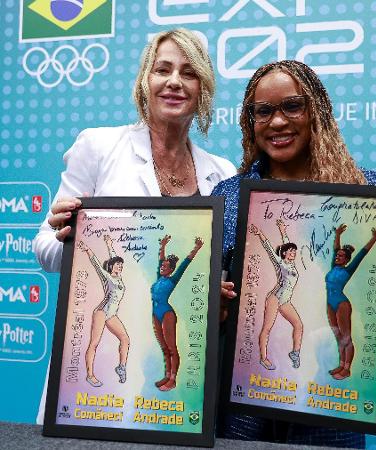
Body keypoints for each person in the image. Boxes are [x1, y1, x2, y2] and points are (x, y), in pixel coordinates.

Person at [212, 60, 376, 447]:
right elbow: (212, 305)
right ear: (250, 121)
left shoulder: (363, 187)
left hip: (330, 415)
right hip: (242, 413)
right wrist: (214, 310)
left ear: (317, 111)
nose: (277, 122)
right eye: (264, 111)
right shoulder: (228, 196)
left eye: (292, 106)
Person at [34, 28, 236, 424]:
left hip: (182, 391)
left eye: (189, 72)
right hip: (96, 396)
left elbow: (214, 275)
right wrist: (67, 237)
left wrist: (222, 291)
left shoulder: (222, 173)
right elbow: (46, 251)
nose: (174, 81)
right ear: (146, 80)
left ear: (203, 87)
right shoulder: (98, 146)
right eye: (163, 69)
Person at [326, 225, 376, 380]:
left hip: (342, 305)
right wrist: (337, 234)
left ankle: (347, 369)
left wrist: (374, 239)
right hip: (330, 304)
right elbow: (336, 248)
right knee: (338, 336)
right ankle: (341, 364)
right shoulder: (333, 266)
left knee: (346, 337)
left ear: (347, 260)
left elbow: (362, 253)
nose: (337, 257)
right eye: (337, 255)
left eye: (341, 256)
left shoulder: (348, 269)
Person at [151, 235, 203, 391]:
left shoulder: (172, 280)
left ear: (171, 270)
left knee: (172, 347)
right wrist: (163, 246)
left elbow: (185, 263)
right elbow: (161, 259)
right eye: (162, 266)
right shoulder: (159, 278)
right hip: (155, 313)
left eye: (165, 267)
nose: (162, 267)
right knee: (164, 348)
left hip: (167, 314)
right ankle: (167, 375)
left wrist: (197, 248)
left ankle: (173, 380)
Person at [249, 219, 303, 371]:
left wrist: (282, 229)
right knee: (267, 328)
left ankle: (295, 353)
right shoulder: (280, 262)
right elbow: (269, 250)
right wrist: (260, 233)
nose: (293, 253)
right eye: (290, 251)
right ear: (285, 253)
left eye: (294, 251)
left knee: (298, 325)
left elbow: (286, 242)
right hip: (275, 298)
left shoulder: (292, 265)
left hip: (285, 301)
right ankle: (263, 358)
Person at [78, 235, 129, 387]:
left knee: (125, 339)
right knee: (94, 343)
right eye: (118, 265)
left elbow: (113, 257)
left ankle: (121, 367)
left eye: (121, 265)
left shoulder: (119, 277)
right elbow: (97, 266)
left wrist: (109, 243)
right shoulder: (107, 277)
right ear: (112, 267)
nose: (120, 267)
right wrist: (88, 250)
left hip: (111, 314)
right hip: (101, 312)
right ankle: (90, 375)